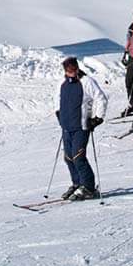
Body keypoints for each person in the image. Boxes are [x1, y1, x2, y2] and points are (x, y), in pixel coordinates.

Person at [55, 57, 106, 200]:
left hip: (81, 126)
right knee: (69, 158)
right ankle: (77, 184)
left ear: (77, 68)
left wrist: (97, 118)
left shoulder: (87, 82)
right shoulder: (62, 83)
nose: (71, 73)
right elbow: (57, 99)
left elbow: (100, 98)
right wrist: (58, 113)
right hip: (66, 126)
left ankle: (89, 187)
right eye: (68, 71)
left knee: (78, 157)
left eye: (73, 70)